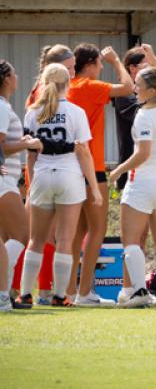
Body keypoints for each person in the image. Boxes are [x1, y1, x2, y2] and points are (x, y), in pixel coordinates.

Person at [19, 64, 102, 306]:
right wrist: (95, 189)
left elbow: (30, 154)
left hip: (43, 174)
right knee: (65, 240)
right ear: (69, 82)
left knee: (36, 239)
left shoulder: (33, 112)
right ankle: (59, 295)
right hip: (69, 176)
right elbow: (84, 152)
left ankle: (25, 294)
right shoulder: (76, 112)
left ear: (44, 82)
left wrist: (33, 182)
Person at [67, 43, 133, 306]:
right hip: (91, 167)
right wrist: (118, 62)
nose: (102, 68)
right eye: (100, 64)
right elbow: (128, 88)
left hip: (71, 167)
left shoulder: (69, 87)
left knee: (77, 231)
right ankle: (85, 293)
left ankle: (69, 290)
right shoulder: (88, 86)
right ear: (90, 64)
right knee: (97, 229)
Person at [109, 66, 156, 308]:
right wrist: (153, 59)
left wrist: (118, 170)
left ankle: (139, 292)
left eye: (138, 84)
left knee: (130, 240)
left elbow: (143, 154)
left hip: (144, 182)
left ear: (151, 90)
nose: (134, 88)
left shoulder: (145, 115)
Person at [12, 44, 77, 305]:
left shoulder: (39, 100)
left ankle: (36, 290)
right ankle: (22, 289)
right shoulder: (44, 99)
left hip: (41, 175)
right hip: (50, 172)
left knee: (41, 239)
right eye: (71, 68)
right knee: (38, 237)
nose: (74, 73)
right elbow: (32, 145)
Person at [0, 60, 43, 310]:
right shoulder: (2, 107)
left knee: (11, 237)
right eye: (14, 73)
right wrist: (28, 144)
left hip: (7, 179)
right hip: (4, 180)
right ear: (6, 78)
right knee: (21, 235)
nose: (17, 77)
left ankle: (4, 292)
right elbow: (2, 146)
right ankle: (3, 293)